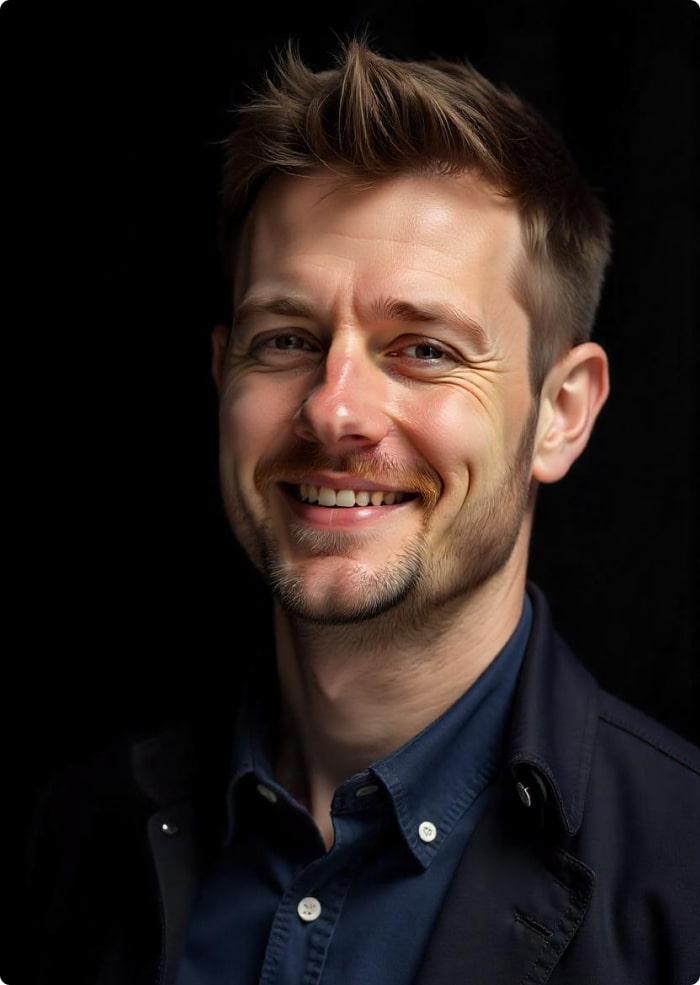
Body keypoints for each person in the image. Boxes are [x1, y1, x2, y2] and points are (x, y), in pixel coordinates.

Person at [17, 35, 700, 985]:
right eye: (286, 338)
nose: (334, 410)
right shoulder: (79, 831)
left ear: (561, 412)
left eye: (424, 349)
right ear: (221, 374)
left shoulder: (687, 874)